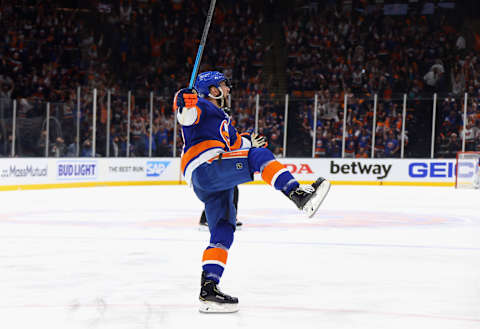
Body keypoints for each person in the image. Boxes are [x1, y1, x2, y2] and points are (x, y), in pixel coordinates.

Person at [174, 71, 331, 313]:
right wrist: (184, 102)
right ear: (212, 90)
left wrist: (248, 141)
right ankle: (298, 194)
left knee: (224, 230)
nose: (228, 90)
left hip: (209, 181)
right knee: (259, 158)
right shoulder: (203, 105)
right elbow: (187, 116)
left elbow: (236, 144)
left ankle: (209, 289)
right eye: (223, 86)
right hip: (207, 167)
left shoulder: (222, 120)